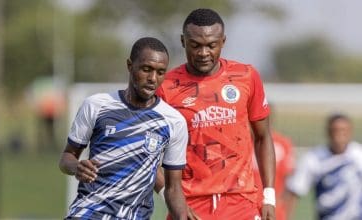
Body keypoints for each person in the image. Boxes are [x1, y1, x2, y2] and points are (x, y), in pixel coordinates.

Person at [155, 8, 276, 220]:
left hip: (242, 204)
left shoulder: (245, 76)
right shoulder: (166, 87)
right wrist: (172, 200)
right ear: (183, 41)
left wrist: (269, 197)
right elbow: (145, 153)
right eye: (195, 45)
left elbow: (263, 137)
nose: (203, 53)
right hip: (189, 207)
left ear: (223, 41)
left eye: (211, 45)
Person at [59, 37, 189, 220]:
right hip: (87, 214)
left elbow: (173, 188)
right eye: (146, 69)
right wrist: (76, 167)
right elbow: (66, 158)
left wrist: (183, 215)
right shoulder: (96, 105)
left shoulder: (173, 121)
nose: (153, 78)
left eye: (160, 72)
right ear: (130, 65)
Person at [285, 113, 362, 220]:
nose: (340, 135)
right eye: (336, 131)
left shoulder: (358, 154)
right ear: (328, 132)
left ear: (350, 132)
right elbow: (295, 189)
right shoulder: (313, 158)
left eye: (344, 131)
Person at [252, 104, 295, 220]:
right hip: (248, 208)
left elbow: (289, 182)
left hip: (274, 209)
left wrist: (285, 209)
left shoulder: (283, 144)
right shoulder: (244, 143)